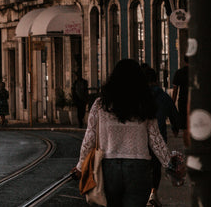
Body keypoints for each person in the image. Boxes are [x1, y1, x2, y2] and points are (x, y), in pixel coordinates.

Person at [71, 59, 175, 207]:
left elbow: (89, 139)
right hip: (139, 168)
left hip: (108, 167)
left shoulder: (100, 105)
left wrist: (80, 167)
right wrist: (169, 164)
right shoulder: (145, 104)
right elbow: (155, 139)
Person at [142, 64, 180, 207]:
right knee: (156, 166)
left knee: (144, 167)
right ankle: (153, 192)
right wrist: (176, 127)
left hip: (142, 139)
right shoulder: (163, 96)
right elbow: (173, 112)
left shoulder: (139, 97)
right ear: (156, 80)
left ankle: (146, 193)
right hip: (160, 138)